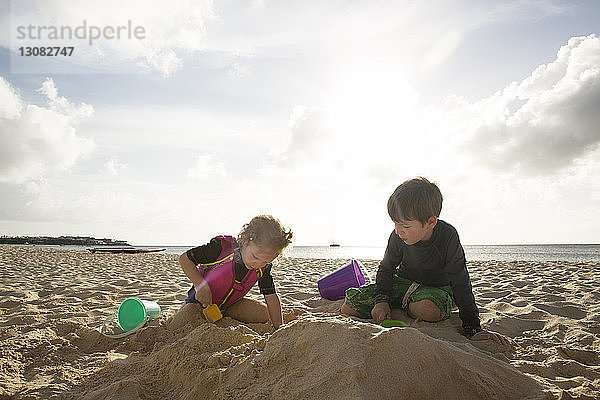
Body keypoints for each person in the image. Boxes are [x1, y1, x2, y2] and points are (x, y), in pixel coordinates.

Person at [341, 177, 509, 345]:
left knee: (427, 309)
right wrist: (381, 301)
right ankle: (402, 304)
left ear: (430, 222)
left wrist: (473, 328)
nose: (399, 231)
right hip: (404, 284)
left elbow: (460, 280)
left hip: (437, 288)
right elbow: (386, 268)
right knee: (350, 306)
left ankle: (410, 305)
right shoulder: (398, 236)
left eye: (405, 226)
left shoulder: (448, 236)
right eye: (395, 224)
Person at [179, 214, 293, 329]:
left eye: (266, 262)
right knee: (186, 316)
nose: (258, 264)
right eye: (255, 257)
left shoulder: (263, 266)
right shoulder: (220, 248)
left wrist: (279, 327)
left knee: (265, 314)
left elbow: (271, 295)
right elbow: (185, 259)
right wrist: (201, 285)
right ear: (244, 239)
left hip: (230, 306)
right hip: (199, 304)